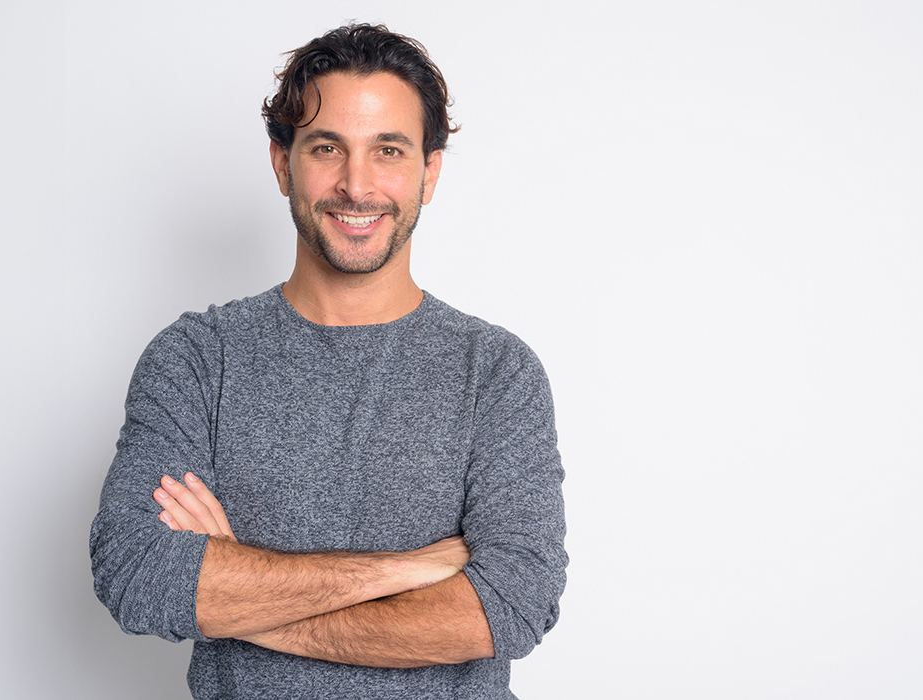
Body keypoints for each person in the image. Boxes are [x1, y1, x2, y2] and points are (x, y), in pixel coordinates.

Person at [88, 23, 566, 699]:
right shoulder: (198, 359)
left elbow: (512, 605)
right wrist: (401, 571)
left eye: (389, 150)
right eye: (326, 148)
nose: (356, 184)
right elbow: (137, 573)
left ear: (429, 173)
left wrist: (241, 599)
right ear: (283, 163)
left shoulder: (495, 373)